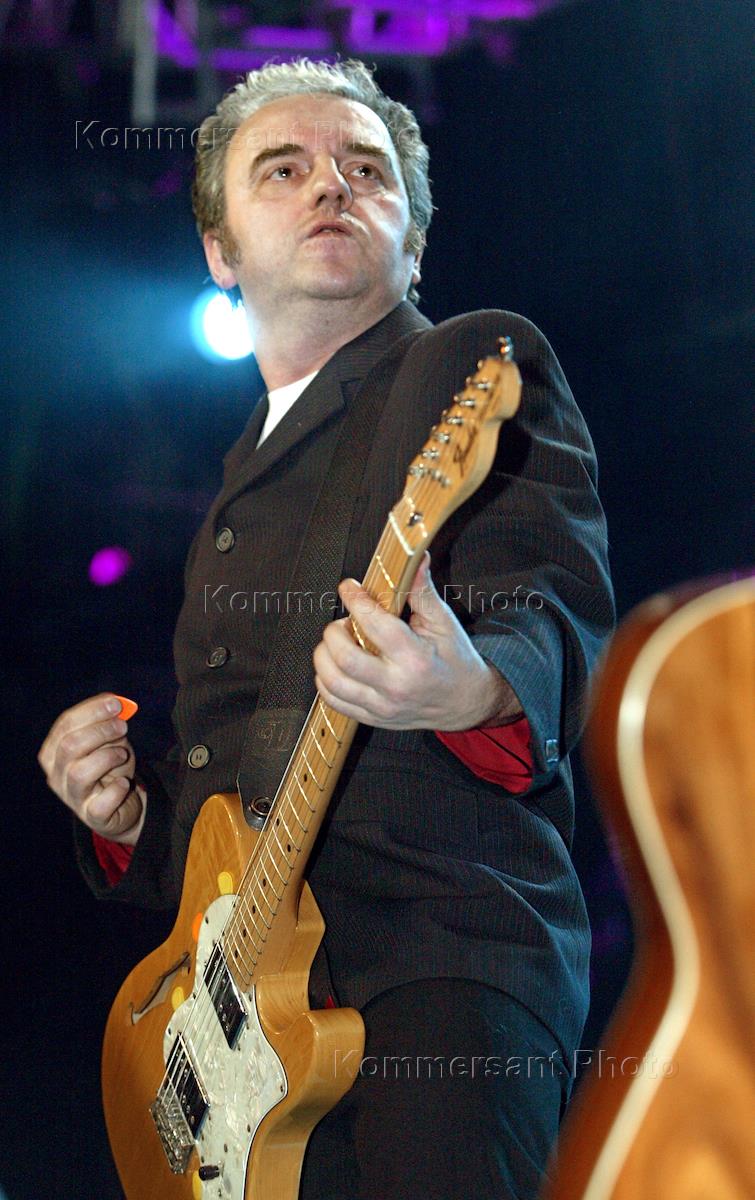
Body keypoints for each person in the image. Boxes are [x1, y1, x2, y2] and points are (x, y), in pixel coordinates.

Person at [38, 59, 614, 1199]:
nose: (330, 186)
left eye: (365, 169)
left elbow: (544, 596)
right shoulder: (229, 480)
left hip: (429, 966)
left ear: (413, 241)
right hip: (245, 1026)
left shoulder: (465, 364)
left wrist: (475, 688)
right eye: (283, 169)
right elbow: (226, 802)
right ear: (219, 252)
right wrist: (129, 816)